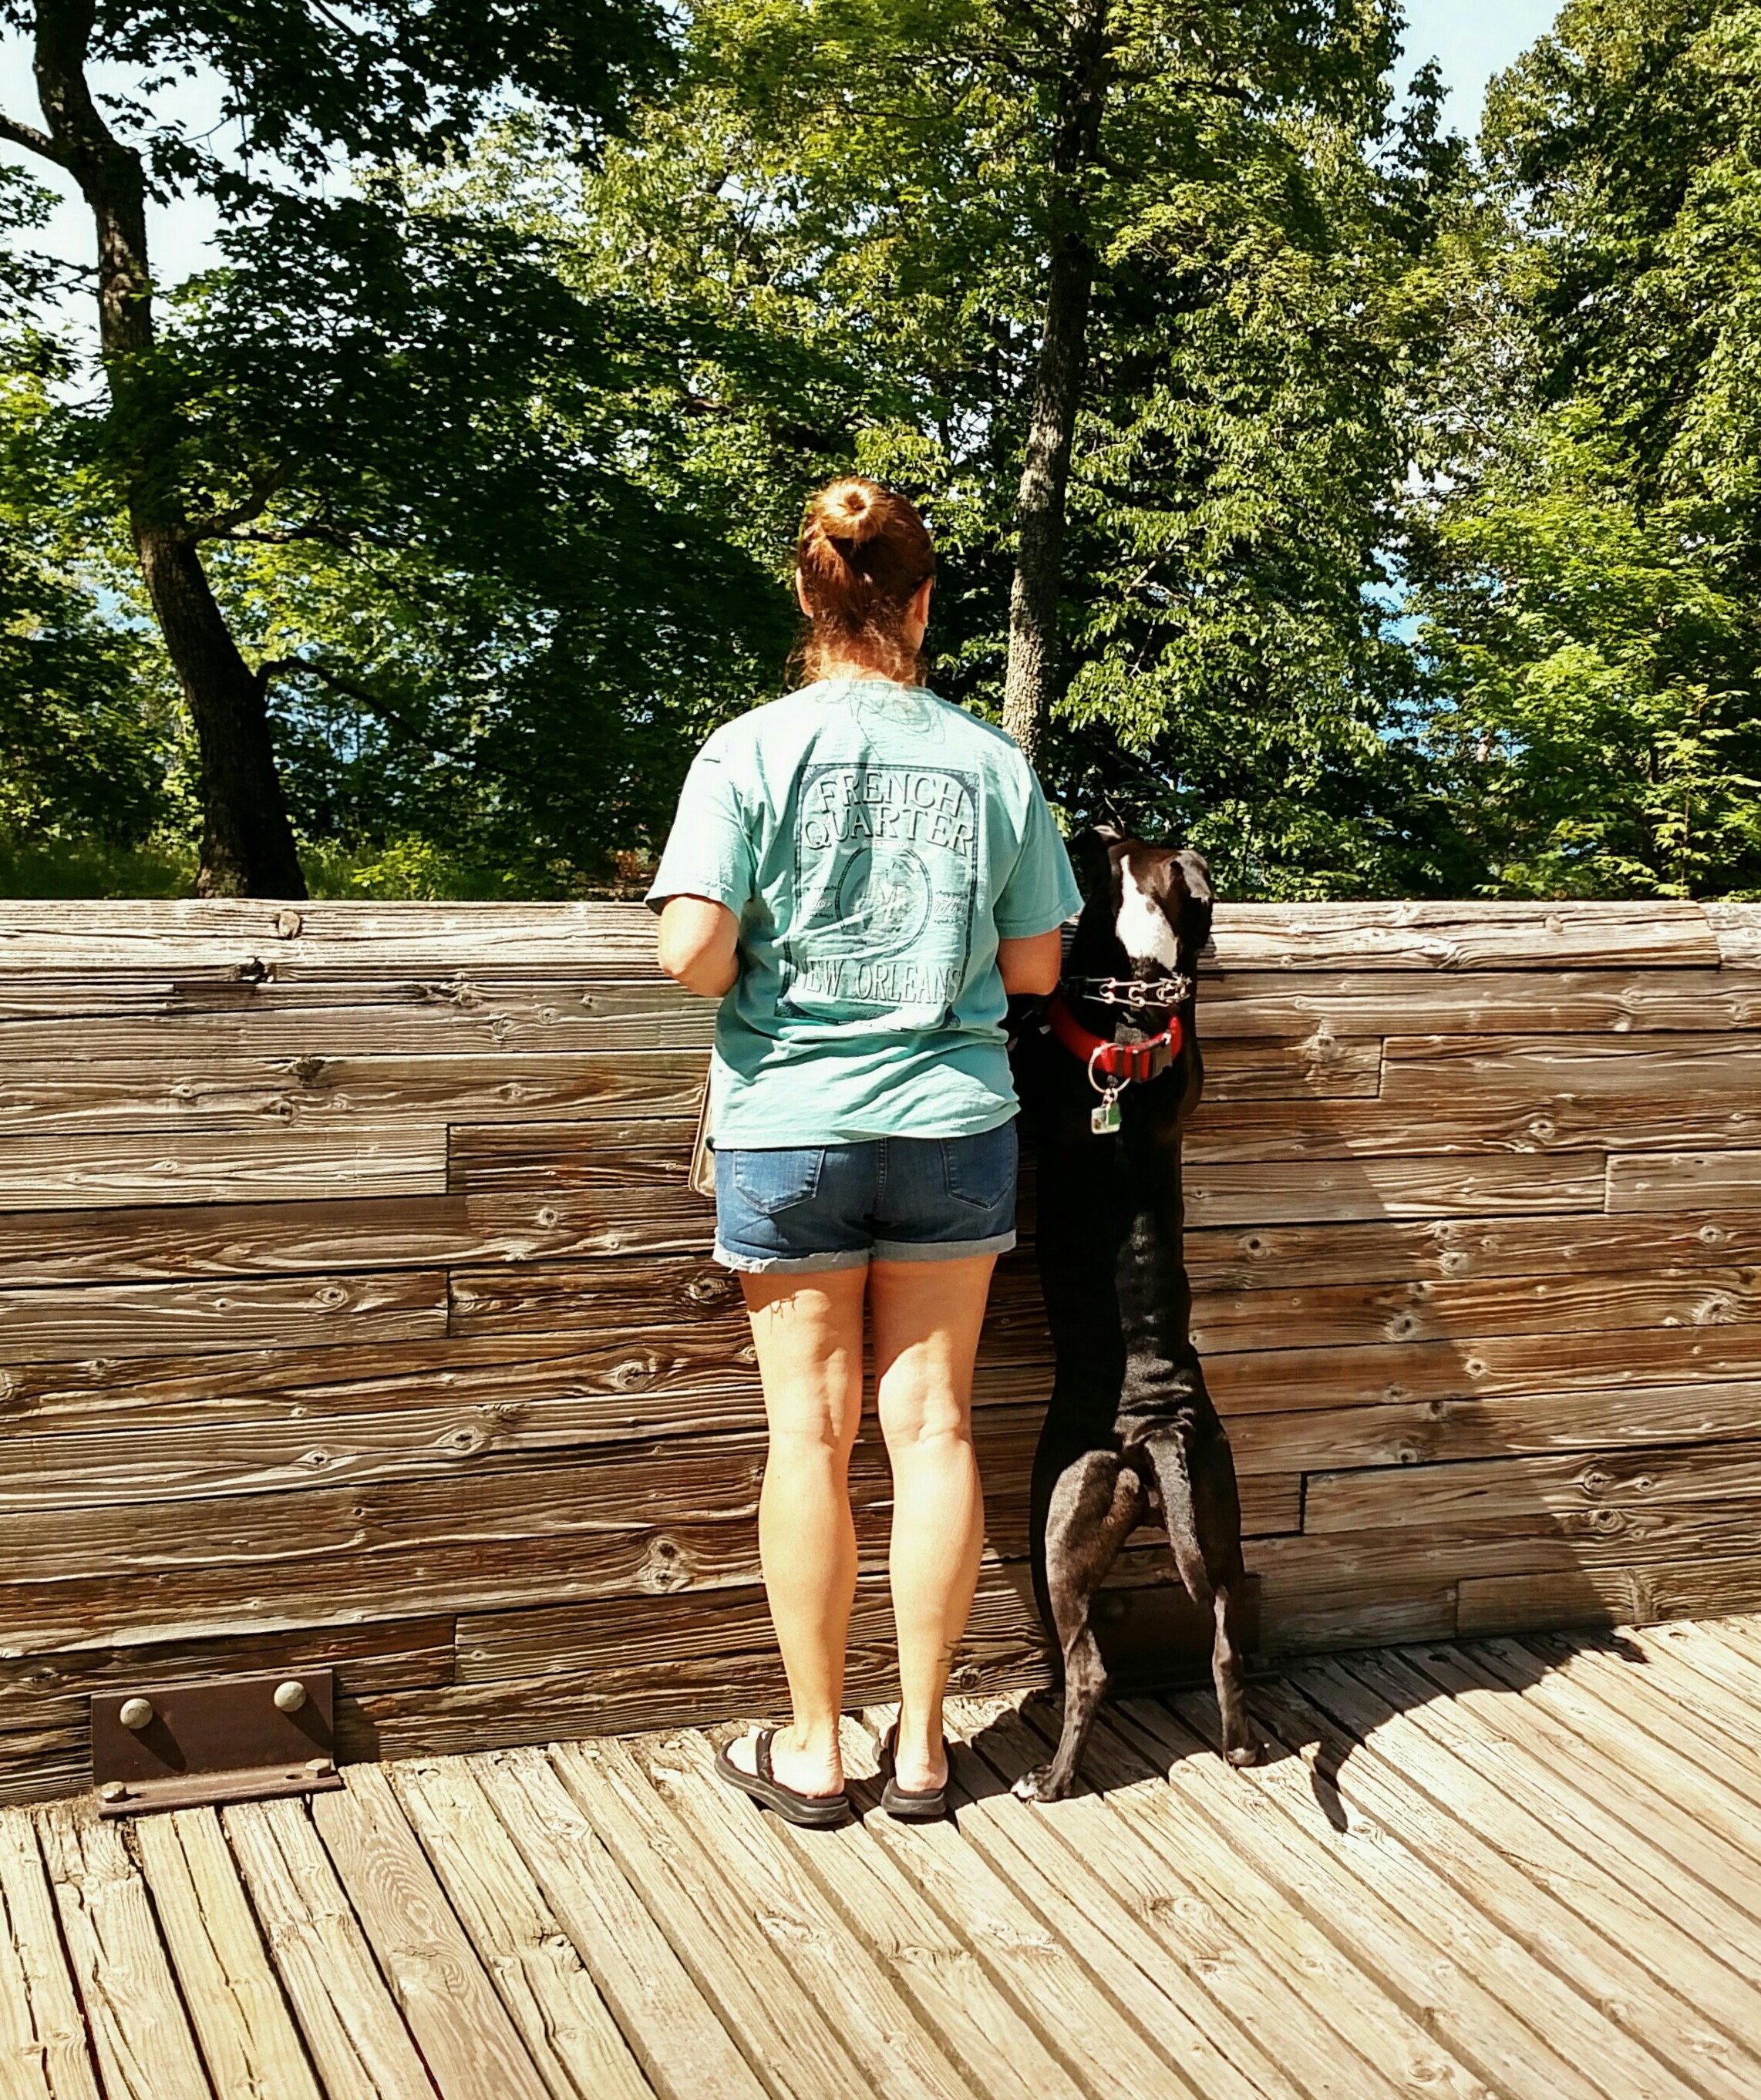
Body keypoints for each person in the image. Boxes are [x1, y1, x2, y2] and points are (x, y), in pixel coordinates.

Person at [647, 476, 1081, 1823]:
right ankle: (928, 1751)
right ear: (926, 600)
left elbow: (691, 954)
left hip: (793, 1129)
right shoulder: (989, 762)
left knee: (811, 1437)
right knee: (937, 1428)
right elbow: (1035, 965)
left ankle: (818, 1749)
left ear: (807, 593)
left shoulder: (749, 750)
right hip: (954, 1124)